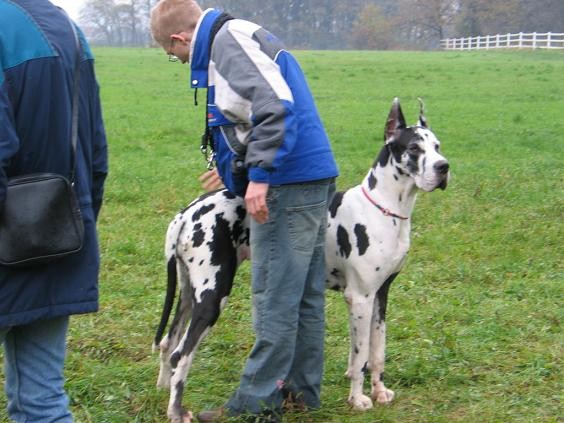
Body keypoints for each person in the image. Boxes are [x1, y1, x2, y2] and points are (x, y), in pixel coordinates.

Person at [150, 1, 339, 421]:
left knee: (273, 295)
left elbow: (274, 106)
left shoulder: (226, 43)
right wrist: (237, 166)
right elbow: (255, 113)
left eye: (172, 54)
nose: (178, 61)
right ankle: (300, 393)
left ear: (180, 38)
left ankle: (255, 405)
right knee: (303, 294)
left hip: (287, 182)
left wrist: (259, 174)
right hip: (308, 175)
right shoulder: (236, 35)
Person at [0, 1, 108, 421]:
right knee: (42, 399)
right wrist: (75, 221)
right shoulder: (70, 29)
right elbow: (96, 151)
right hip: (60, 233)